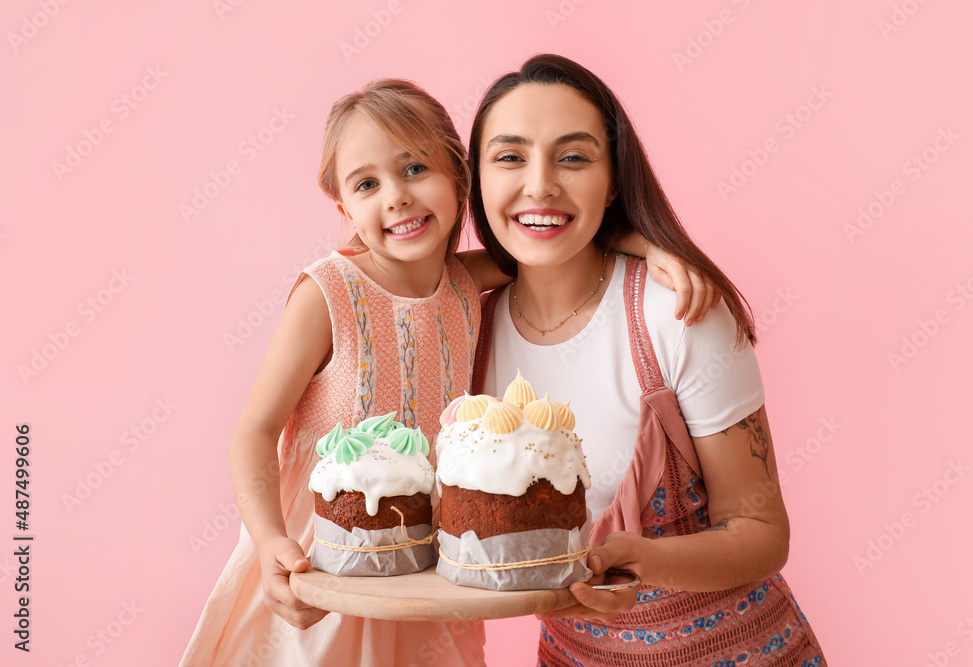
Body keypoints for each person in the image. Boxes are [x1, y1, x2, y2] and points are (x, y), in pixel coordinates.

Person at [179, 78, 714, 667]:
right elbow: (254, 432)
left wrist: (653, 247)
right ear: (345, 209)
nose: (397, 197)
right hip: (324, 545)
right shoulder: (326, 294)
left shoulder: (465, 282)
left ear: (462, 181)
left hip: (425, 557)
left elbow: (563, 232)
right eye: (367, 183)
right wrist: (269, 540)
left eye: (414, 169)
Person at [468, 54, 827, 666]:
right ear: (475, 180)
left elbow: (763, 533)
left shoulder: (678, 313)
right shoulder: (463, 328)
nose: (540, 184)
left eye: (574, 157)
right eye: (509, 156)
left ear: (613, 181)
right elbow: (365, 274)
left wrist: (642, 561)